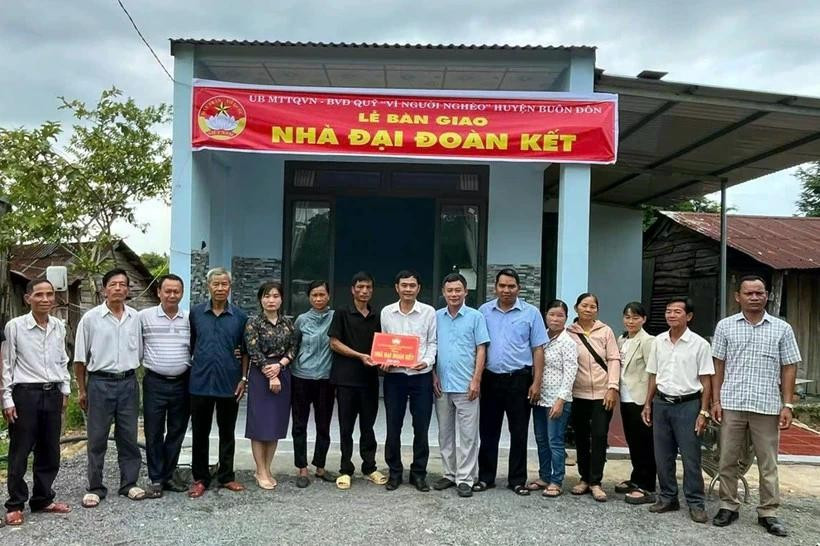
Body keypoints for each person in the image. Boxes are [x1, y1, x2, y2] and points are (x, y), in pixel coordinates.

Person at [711, 275, 801, 537]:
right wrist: (716, 401)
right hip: (732, 403)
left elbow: (789, 366)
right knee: (727, 457)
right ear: (737, 297)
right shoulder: (726, 327)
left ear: (767, 296)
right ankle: (728, 505)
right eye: (748, 293)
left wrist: (788, 404)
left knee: (768, 461)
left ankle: (768, 512)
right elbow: (718, 365)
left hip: (767, 405)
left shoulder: (781, 329)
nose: (754, 297)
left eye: (759, 293)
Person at [2, 279, 71, 525]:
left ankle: (43, 499)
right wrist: (7, 398)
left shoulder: (58, 326)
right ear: (28, 298)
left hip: (52, 393)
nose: (45, 299)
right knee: (20, 451)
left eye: (49, 294)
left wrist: (65, 388)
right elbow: (7, 363)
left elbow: (62, 359)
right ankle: (15, 504)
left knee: (50, 450)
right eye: (39, 294)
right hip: (25, 395)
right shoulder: (15, 327)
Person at [74, 268, 145, 507]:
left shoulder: (136, 318)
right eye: (113, 284)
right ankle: (95, 487)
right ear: (104, 289)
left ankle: (129, 484)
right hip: (99, 383)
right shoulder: (91, 318)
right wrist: (82, 390)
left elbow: (142, 352)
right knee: (97, 438)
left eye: (123, 284)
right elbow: (79, 359)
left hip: (128, 382)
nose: (118, 288)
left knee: (128, 436)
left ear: (128, 290)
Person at [476, 268, 547, 496]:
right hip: (490, 379)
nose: (506, 290)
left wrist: (536, 382)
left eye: (511, 286)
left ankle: (517, 479)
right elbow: (478, 347)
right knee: (488, 431)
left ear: (518, 288)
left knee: (518, 432)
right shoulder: (483, 312)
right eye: (502, 286)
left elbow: (538, 349)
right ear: (495, 287)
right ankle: (486, 477)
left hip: (519, 379)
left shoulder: (531, 313)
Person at [642, 298, 713, 523]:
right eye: (668, 312)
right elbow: (653, 374)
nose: (671, 315)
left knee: (691, 457)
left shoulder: (699, 344)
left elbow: (706, 380)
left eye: (677, 312)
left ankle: (695, 502)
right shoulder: (659, 341)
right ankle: (668, 497)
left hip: (688, 404)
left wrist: (704, 412)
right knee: (663, 455)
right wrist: (647, 403)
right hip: (662, 403)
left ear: (689, 316)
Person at [188, 267, 249, 498]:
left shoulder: (240, 317)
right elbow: (191, 344)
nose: (220, 288)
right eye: (216, 284)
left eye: (225, 284)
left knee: (227, 432)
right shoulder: (195, 314)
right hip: (200, 382)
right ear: (208, 286)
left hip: (229, 382)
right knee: (200, 433)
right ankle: (200, 477)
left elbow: (245, 352)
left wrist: (243, 378)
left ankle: (226, 476)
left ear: (230, 287)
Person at [431, 273, 490, 498]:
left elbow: (482, 349)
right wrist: (432, 375)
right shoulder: (436, 317)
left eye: (458, 290)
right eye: (450, 291)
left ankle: (465, 478)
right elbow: (431, 347)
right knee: (445, 434)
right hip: (442, 385)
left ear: (466, 292)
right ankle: (449, 473)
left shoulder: (476, 317)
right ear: (443, 293)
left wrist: (476, 379)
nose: (454, 294)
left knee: (468, 435)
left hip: (467, 387)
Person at [328, 271, 386, 490]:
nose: (364, 291)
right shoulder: (342, 313)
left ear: (372, 290)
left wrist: (386, 360)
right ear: (352, 289)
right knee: (346, 427)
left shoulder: (376, 315)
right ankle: (345, 469)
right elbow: (334, 343)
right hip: (346, 380)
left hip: (369, 380)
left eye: (368, 287)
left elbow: (384, 346)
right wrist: (360, 356)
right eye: (360, 287)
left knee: (368, 427)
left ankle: (369, 466)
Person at [380, 270, 437, 492]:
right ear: (397, 288)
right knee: (393, 426)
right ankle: (394, 473)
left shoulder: (428, 312)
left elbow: (432, 342)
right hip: (395, 378)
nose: (408, 289)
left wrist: (426, 361)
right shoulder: (387, 313)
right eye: (404, 285)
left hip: (420, 377)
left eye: (412, 285)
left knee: (421, 427)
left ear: (418, 288)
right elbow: (384, 342)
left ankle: (418, 474)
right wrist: (384, 360)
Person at [139, 273, 191, 498]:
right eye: (167, 291)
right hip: (154, 382)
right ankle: (156, 478)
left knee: (177, 431)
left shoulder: (190, 318)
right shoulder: (143, 317)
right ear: (158, 292)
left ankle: (169, 475)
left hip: (183, 382)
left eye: (176, 291)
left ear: (182, 293)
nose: (172, 295)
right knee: (153, 431)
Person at [566, 292, 620, 502]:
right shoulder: (569, 332)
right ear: (576, 307)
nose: (588, 309)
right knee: (580, 437)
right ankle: (584, 478)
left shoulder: (605, 331)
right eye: (584, 305)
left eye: (592, 307)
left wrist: (612, 387)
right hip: (577, 393)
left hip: (602, 393)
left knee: (599, 436)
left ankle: (596, 481)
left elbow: (614, 359)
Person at [244, 281, 296, 490]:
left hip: (282, 373)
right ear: (260, 299)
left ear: (281, 299)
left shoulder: (288, 324)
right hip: (260, 375)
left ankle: (267, 467)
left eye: (275, 296)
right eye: (267, 296)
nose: (271, 300)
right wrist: (270, 373)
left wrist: (280, 366)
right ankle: (260, 470)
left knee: (274, 424)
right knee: (259, 425)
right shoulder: (253, 323)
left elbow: (293, 348)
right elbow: (252, 350)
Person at [528, 299, 578, 498]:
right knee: (541, 439)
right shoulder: (540, 338)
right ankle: (544, 476)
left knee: (554, 441)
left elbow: (570, 373)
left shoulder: (567, 342)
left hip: (557, 399)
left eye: (560, 316)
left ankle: (556, 480)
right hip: (539, 397)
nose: (555, 319)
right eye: (552, 315)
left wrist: (561, 400)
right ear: (545, 316)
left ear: (566, 318)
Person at [291, 281, 336, 488]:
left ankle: (320, 466)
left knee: (323, 424)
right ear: (309, 297)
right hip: (301, 377)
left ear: (328, 296)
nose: (318, 299)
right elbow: (293, 346)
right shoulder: (301, 320)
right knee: (300, 425)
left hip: (326, 379)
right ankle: (302, 468)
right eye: (314, 295)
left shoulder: (335, 318)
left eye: (322, 295)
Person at [616, 302, 657, 505]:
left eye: (635, 318)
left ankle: (647, 485)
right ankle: (636, 478)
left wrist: (649, 401)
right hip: (625, 397)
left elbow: (653, 373)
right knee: (632, 440)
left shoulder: (648, 341)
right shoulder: (621, 339)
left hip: (641, 398)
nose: (630, 321)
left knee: (645, 442)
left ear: (643, 319)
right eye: (627, 317)